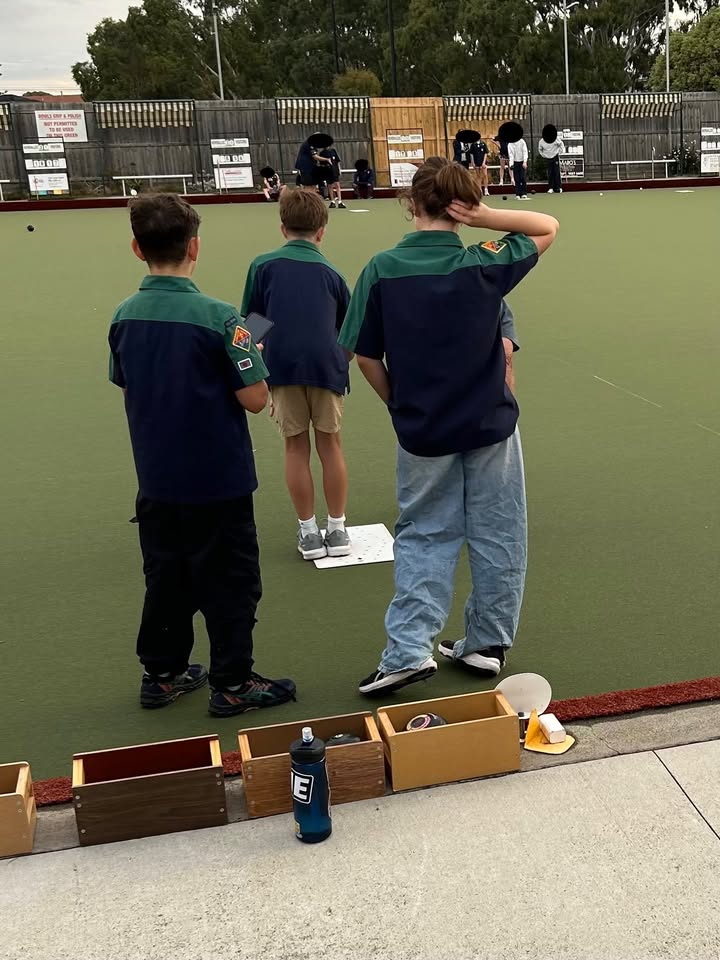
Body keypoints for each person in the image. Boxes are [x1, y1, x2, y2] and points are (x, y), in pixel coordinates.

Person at [338, 157, 559, 695]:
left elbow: (365, 356)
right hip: (490, 424)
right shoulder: (482, 260)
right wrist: (485, 217)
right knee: (499, 532)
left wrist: (398, 404)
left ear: (411, 203)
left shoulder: (381, 269)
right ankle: (487, 643)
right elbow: (547, 226)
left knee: (424, 534)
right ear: (464, 206)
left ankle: (408, 650)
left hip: (424, 429)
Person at [108, 193, 297, 717]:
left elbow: (127, 385)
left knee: (165, 577)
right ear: (194, 246)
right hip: (218, 480)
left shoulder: (124, 316)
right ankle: (233, 682)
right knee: (232, 581)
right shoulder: (223, 318)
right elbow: (255, 399)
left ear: (136, 248)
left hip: (157, 478)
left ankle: (163, 673)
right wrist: (251, 353)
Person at [241, 189, 353, 561]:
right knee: (330, 444)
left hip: (282, 368)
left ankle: (308, 533)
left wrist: (254, 358)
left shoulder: (262, 266)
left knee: (295, 447)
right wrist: (339, 362)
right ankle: (336, 529)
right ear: (322, 231)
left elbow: (253, 324)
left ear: (282, 228)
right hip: (326, 368)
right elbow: (349, 331)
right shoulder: (333, 273)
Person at [539, 127, 565, 194]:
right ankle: (551, 188)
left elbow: (561, 144)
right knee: (550, 173)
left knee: (556, 172)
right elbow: (540, 149)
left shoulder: (556, 139)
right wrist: (543, 155)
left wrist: (560, 152)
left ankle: (559, 188)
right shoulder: (542, 141)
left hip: (555, 157)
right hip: (548, 158)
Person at [509, 135, 529, 199]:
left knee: (522, 178)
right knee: (517, 179)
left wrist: (525, 162)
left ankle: (524, 193)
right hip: (515, 162)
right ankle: (518, 194)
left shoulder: (522, 141)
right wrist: (511, 164)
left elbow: (525, 152)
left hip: (522, 162)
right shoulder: (510, 144)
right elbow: (511, 155)